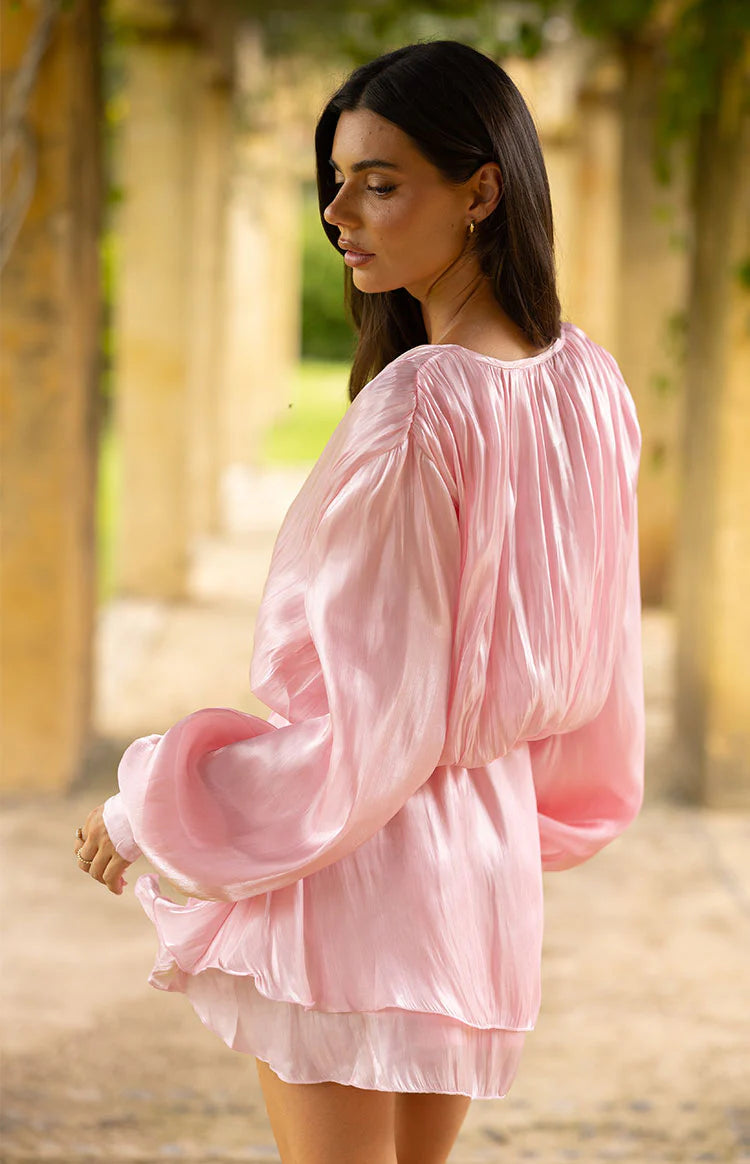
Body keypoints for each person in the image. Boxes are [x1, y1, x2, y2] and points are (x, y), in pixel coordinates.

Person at [74, 39, 645, 1164]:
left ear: (482, 189)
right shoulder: (587, 382)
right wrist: (505, 820)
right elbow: (601, 680)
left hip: (365, 867)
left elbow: (371, 731)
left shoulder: (421, 410)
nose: (339, 212)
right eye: (334, 181)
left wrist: (151, 803)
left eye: (380, 183)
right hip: (479, 875)